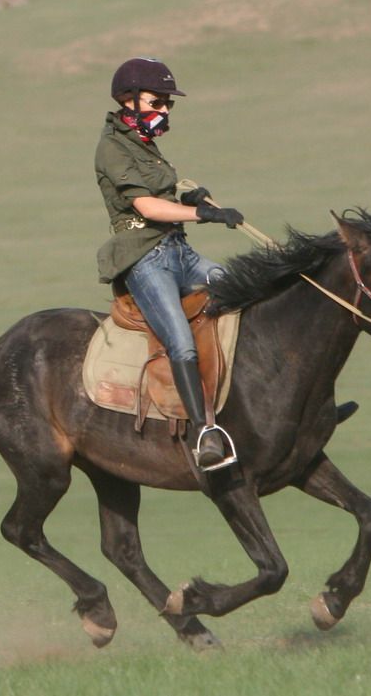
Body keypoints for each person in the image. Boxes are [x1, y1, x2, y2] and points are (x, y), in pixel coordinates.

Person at [94, 57, 243, 468]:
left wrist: (190, 195)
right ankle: (204, 435)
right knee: (179, 339)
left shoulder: (144, 145)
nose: (164, 111)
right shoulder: (111, 148)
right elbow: (144, 205)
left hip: (179, 252)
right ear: (129, 101)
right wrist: (204, 215)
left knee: (246, 290)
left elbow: (163, 191)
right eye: (157, 102)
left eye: (168, 105)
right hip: (145, 260)